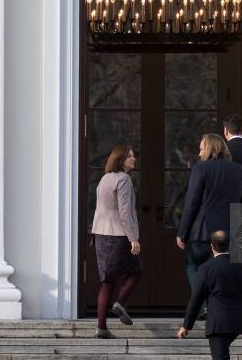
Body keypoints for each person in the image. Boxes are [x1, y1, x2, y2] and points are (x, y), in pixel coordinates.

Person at [176, 133, 242, 319]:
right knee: (222, 272)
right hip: (228, 234)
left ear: (209, 148)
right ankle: (216, 307)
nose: (199, 152)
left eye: (201, 148)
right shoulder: (240, 170)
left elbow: (192, 202)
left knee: (193, 267)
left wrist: (182, 233)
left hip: (201, 232)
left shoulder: (200, 169)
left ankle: (203, 304)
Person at [177, 230, 242, 360]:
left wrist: (186, 325)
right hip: (238, 321)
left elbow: (196, 299)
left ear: (212, 247)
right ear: (230, 246)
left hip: (218, 323)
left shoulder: (206, 268)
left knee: (220, 356)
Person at [91, 145, 142, 339]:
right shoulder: (124, 179)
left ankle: (101, 327)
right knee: (136, 271)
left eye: (133, 155)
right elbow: (125, 212)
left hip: (100, 235)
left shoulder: (104, 179)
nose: (134, 158)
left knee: (107, 281)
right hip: (118, 235)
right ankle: (120, 303)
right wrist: (133, 238)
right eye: (129, 156)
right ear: (120, 159)